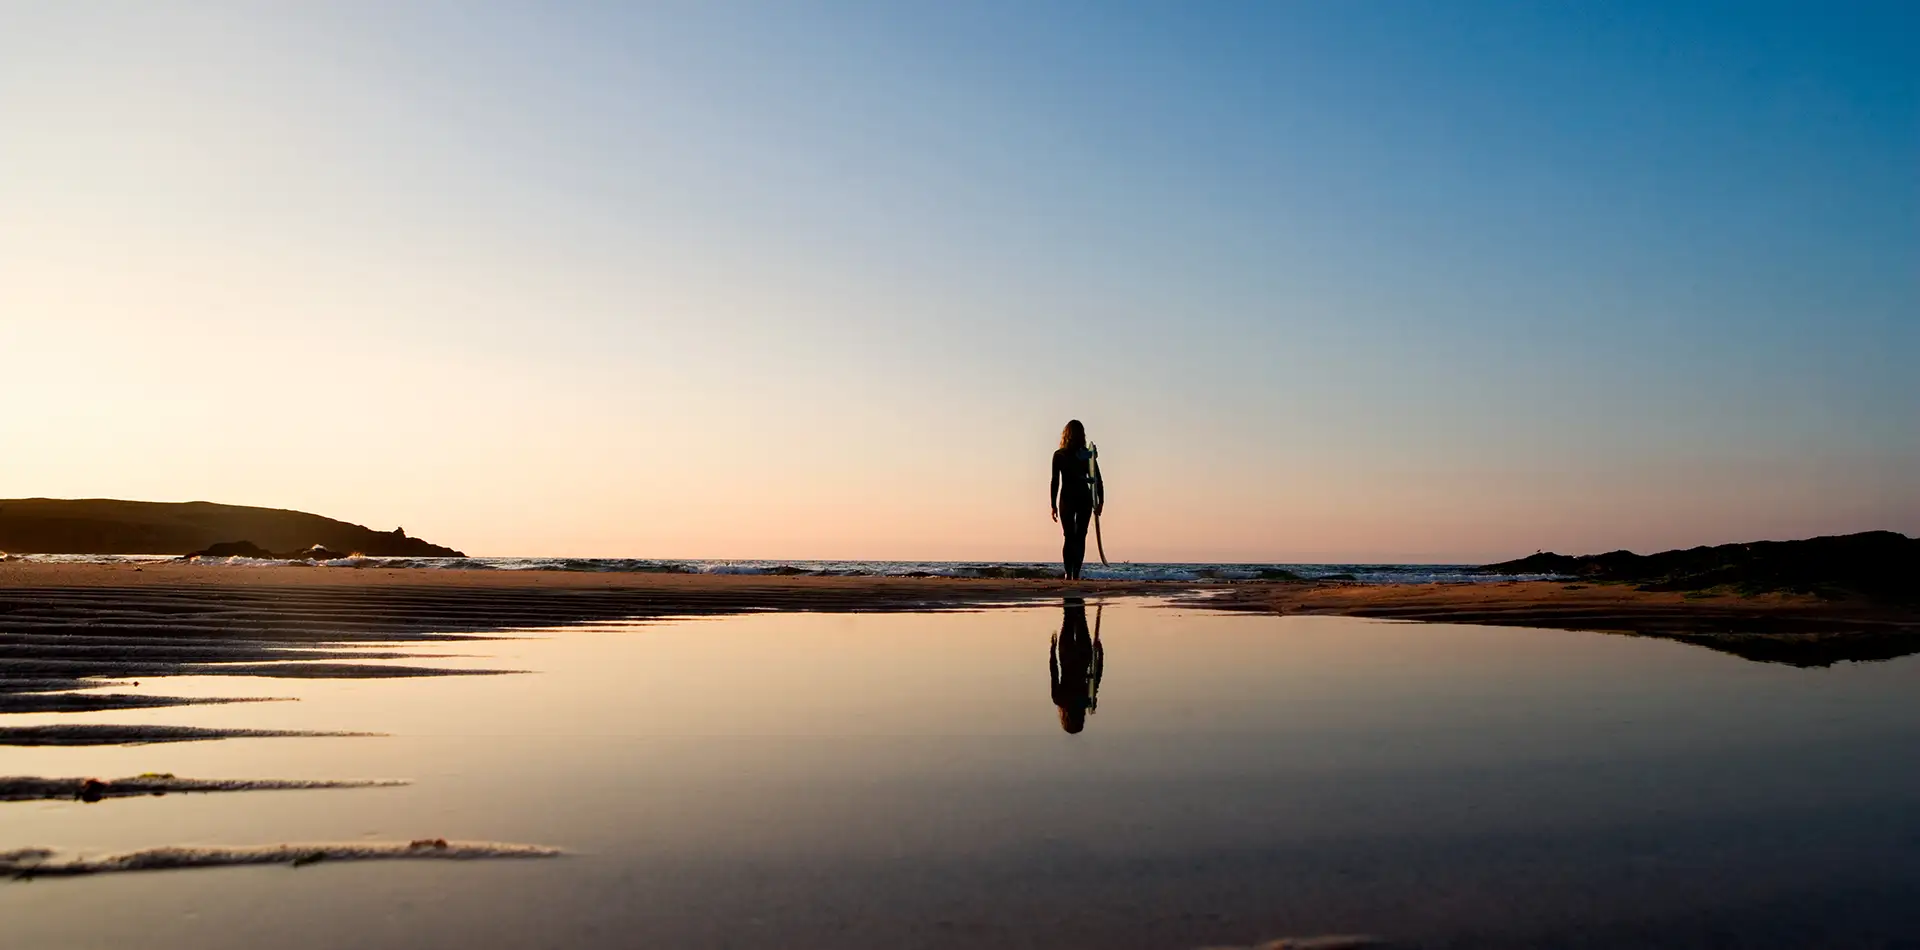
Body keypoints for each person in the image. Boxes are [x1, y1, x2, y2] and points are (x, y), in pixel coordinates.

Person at [1049, 419, 1105, 581]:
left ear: (1065, 434)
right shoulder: (1086, 455)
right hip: (1084, 498)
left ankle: (1068, 573)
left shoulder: (1059, 455)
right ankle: (1076, 573)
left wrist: (1053, 505)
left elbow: (1055, 481)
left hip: (1067, 498)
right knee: (1080, 536)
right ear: (1082, 435)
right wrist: (1101, 501)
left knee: (1069, 536)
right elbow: (1097, 479)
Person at [1050, 598, 1104, 734]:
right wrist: (1052, 650)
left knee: (1080, 617)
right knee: (1068, 618)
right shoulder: (1059, 700)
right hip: (1066, 655)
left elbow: (1097, 675)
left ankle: (1074, 588)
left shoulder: (1086, 701)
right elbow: (1054, 672)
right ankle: (1070, 586)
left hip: (1083, 656)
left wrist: (1100, 653)